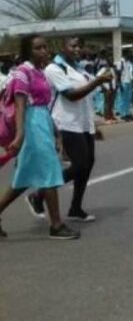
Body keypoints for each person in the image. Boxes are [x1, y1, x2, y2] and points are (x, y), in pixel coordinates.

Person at [26, 36, 114, 223]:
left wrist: (93, 123)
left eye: (79, 46)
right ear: (62, 47)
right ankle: (39, 195)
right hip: (65, 123)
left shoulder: (79, 69)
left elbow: (88, 98)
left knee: (87, 165)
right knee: (80, 164)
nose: (77, 49)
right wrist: (97, 82)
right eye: (73, 46)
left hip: (83, 123)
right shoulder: (54, 68)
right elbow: (71, 95)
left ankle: (75, 208)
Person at [0, 35, 80, 240]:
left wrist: (56, 131)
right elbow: (20, 106)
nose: (44, 51)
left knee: (22, 180)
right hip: (31, 126)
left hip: (42, 122)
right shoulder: (22, 73)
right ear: (28, 51)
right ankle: (56, 225)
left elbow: (44, 105)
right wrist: (19, 136)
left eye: (45, 47)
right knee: (49, 174)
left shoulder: (40, 73)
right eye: (38, 48)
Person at [115, 50, 133, 121]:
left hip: (129, 82)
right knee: (123, 99)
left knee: (128, 99)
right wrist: (119, 84)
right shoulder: (120, 63)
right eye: (129, 54)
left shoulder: (129, 63)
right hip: (123, 82)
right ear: (125, 55)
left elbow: (132, 74)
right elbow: (118, 74)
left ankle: (127, 113)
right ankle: (123, 114)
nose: (130, 55)